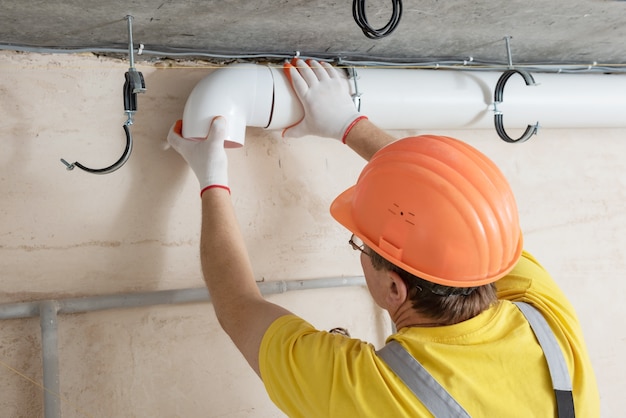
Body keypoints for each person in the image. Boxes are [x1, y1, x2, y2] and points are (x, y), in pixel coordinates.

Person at [167, 59, 599, 417]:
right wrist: (348, 124)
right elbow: (455, 203)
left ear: (395, 286)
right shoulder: (545, 322)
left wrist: (211, 178)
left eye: (360, 245)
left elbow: (239, 307)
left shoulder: (379, 394)